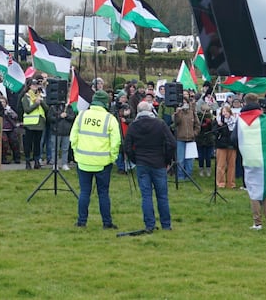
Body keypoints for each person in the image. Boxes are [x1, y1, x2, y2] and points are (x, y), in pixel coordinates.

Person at [69, 89, 122, 229]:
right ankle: (107, 222)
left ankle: (81, 222)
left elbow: (73, 137)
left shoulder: (81, 115)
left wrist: (76, 154)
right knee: (103, 193)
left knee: (84, 192)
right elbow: (116, 141)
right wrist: (113, 157)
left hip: (83, 160)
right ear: (106, 103)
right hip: (103, 162)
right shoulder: (110, 119)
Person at [125, 100, 176, 233]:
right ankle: (166, 224)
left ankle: (149, 225)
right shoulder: (160, 124)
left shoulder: (133, 126)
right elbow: (172, 143)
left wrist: (135, 159)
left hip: (142, 163)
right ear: (151, 110)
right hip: (159, 163)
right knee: (162, 196)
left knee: (146, 196)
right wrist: (166, 160)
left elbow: (127, 146)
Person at [237, 94, 266, 231]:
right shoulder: (264, 119)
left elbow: (234, 137)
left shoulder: (241, 120)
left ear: (244, 103)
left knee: (253, 191)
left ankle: (257, 222)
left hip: (250, 158)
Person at [21, 80, 46, 169]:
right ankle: (27, 162)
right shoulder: (26, 97)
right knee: (28, 144)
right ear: (30, 86)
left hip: (39, 124)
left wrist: (41, 101)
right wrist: (36, 104)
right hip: (29, 124)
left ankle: (36, 161)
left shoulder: (40, 96)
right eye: (33, 85)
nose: (35, 86)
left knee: (37, 144)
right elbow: (27, 110)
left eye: (36, 85)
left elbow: (46, 108)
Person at [173, 98, 198, 180]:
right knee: (180, 159)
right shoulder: (178, 113)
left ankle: (188, 175)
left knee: (189, 159)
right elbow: (176, 123)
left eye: (185, 102)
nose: (184, 104)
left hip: (191, 139)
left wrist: (194, 133)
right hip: (180, 139)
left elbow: (197, 125)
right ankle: (180, 175)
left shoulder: (192, 113)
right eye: (182, 103)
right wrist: (177, 113)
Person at [214, 104, 238, 189]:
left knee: (232, 165)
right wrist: (219, 126)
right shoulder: (218, 121)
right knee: (221, 165)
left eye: (226, 112)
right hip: (221, 145)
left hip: (232, 145)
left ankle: (231, 183)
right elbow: (215, 133)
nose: (225, 113)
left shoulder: (234, 121)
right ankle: (221, 183)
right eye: (223, 112)